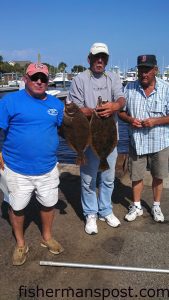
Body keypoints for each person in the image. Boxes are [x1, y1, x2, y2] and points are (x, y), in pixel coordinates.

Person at [0, 63, 64, 266]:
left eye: (43, 78)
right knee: (17, 208)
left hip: (48, 167)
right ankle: (20, 243)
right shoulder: (9, 101)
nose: (39, 81)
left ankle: (46, 237)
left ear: (48, 81)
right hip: (15, 168)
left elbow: (66, 131)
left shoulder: (57, 105)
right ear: (25, 79)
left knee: (48, 203)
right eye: (34, 77)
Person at [67, 42, 125, 235]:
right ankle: (90, 213)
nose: (100, 60)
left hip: (109, 138)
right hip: (89, 137)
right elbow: (74, 109)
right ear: (89, 58)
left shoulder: (114, 78)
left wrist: (114, 107)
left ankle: (105, 210)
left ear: (107, 60)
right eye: (96, 57)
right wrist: (94, 111)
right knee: (88, 179)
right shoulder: (80, 79)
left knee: (108, 178)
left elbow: (121, 99)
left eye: (104, 57)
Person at [118, 54, 169, 222]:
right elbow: (121, 112)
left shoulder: (166, 88)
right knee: (136, 176)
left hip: (160, 141)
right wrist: (130, 120)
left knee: (158, 175)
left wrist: (156, 121)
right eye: (141, 69)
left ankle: (156, 205)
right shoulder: (129, 88)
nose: (144, 73)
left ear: (155, 70)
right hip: (137, 142)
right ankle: (137, 205)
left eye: (147, 69)